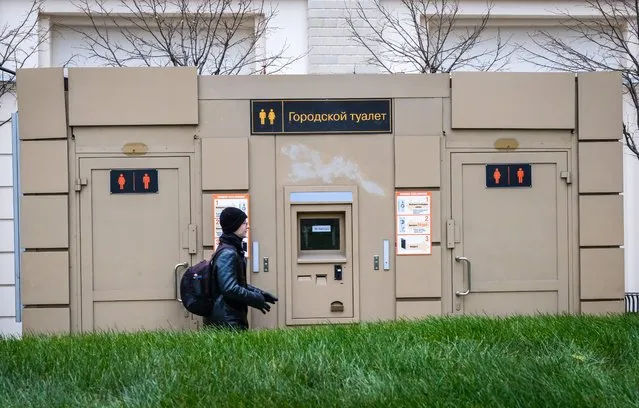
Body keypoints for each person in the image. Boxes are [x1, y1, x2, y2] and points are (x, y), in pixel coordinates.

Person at [204, 206, 278, 331]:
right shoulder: (228, 253)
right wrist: (255, 299)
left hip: (230, 317)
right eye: (244, 223)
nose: (247, 226)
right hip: (227, 322)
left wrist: (260, 294)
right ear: (234, 226)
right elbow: (230, 288)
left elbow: (235, 283)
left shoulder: (231, 249)